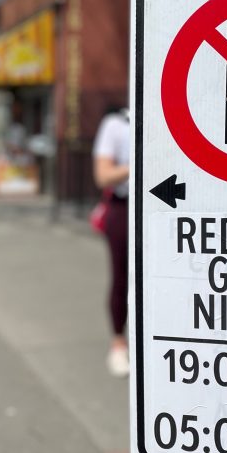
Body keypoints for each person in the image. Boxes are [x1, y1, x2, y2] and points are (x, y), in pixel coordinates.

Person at [92, 107, 131, 377]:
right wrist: (142, 160)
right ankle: (118, 343)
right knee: (122, 277)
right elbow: (103, 175)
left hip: (169, 205)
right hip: (125, 206)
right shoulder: (116, 123)